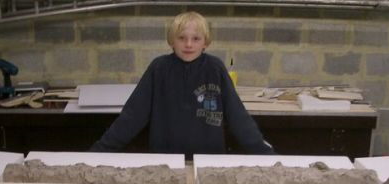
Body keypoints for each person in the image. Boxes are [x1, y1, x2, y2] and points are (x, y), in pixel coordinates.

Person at [89, 11, 274, 157]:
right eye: (182, 38)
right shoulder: (159, 68)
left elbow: (239, 118)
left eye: (196, 39)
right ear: (171, 41)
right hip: (165, 161)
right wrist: (98, 152)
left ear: (205, 42)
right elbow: (132, 116)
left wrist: (267, 155)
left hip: (209, 161)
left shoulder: (215, 68)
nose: (188, 44)